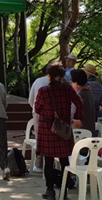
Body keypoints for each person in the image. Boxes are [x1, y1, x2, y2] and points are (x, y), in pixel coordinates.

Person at [35, 62, 83, 200]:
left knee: (48, 161)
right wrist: (77, 117)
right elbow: (79, 103)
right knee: (64, 162)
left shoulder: (43, 91)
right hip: (64, 129)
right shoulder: (67, 89)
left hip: (47, 129)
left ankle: (50, 191)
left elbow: (37, 109)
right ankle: (64, 192)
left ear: (49, 76)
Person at [28, 64, 50, 173]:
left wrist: (35, 109)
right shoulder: (62, 82)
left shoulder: (38, 81)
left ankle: (39, 164)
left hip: (38, 112)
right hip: (56, 113)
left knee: (39, 137)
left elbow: (31, 100)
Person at [71, 69, 96, 136]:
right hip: (90, 130)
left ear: (75, 83)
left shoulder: (78, 95)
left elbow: (72, 114)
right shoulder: (89, 92)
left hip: (80, 132)